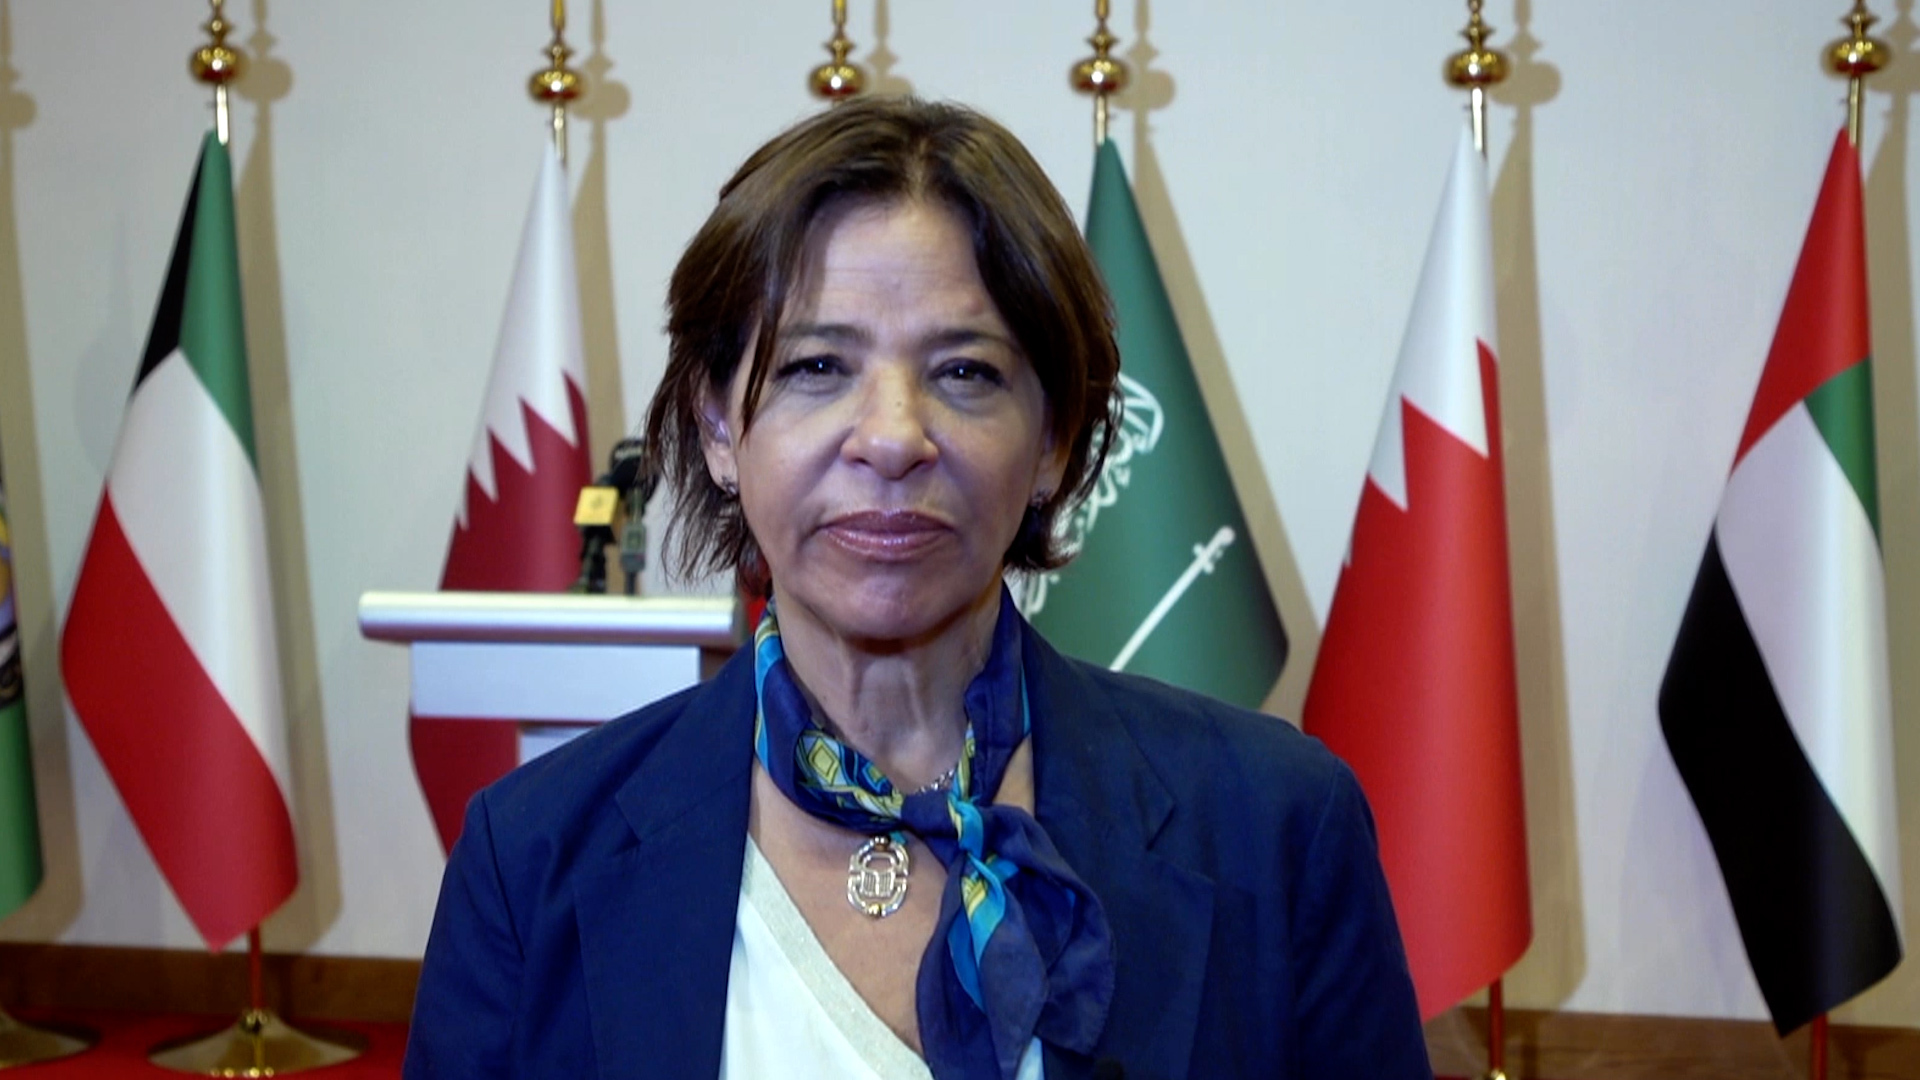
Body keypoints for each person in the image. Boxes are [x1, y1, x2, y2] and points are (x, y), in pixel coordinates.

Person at [404, 96, 1431, 1080]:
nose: (893, 438)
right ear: (719, 428)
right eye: (817, 366)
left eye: (965, 372)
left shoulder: (1277, 829)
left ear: (1053, 441)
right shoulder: (528, 860)